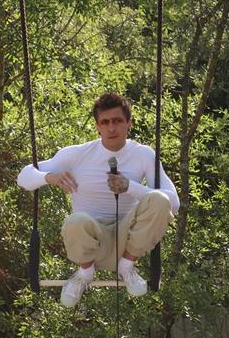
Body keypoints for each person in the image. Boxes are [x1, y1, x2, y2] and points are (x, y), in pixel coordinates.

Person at [17, 92, 180, 307]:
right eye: (105, 122)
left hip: (129, 241)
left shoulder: (143, 154)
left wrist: (130, 187)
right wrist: (50, 177)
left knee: (159, 199)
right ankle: (84, 274)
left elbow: (173, 203)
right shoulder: (77, 154)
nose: (111, 128)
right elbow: (23, 178)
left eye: (117, 121)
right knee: (75, 221)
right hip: (91, 244)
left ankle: (127, 267)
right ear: (97, 126)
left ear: (128, 123)